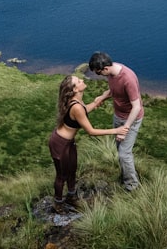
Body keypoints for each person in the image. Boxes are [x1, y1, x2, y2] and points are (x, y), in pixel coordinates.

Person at [48, 74, 122, 212]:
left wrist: (101, 98)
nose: (82, 80)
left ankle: (71, 197)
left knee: (72, 170)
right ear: (75, 89)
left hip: (68, 142)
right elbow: (91, 131)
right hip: (60, 144)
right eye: (78, 81)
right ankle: (57, 203)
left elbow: (84, 111)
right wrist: (116, 130)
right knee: (61, 175)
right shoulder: (76, 106)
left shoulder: (76, 101)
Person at [88, 51, 144, 191]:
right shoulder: (112, 73)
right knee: (120, 150)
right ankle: (126, 175)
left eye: (99, 73)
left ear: (105, 68)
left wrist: (125, 129)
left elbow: (136, 107)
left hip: (131, 119)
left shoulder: (127, 78)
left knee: (124, 154)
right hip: (118, 115)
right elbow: (113, 90)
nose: (99, 75)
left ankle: (132, 186)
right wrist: (102, 97)